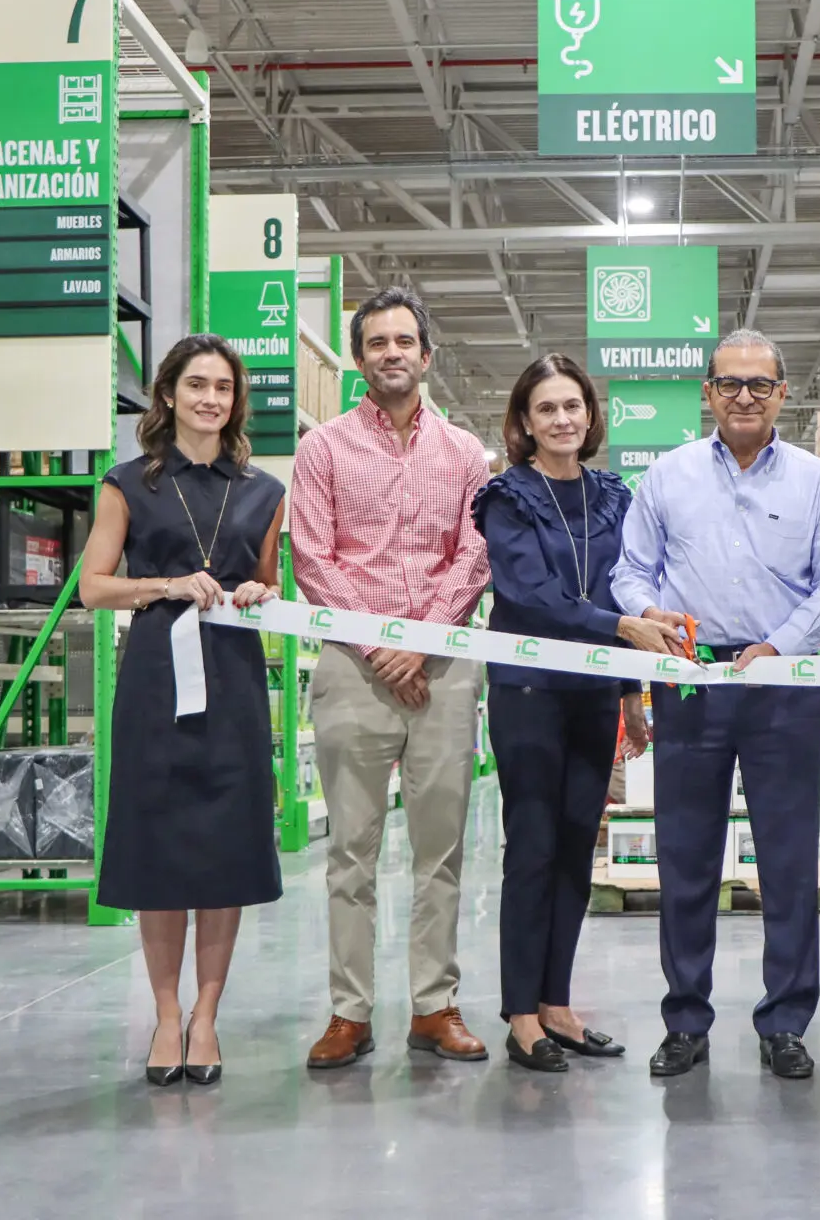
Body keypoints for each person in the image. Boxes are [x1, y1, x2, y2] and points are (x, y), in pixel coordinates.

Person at [612, 328, 820, 1081]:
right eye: (730, 384)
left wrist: (781, 645)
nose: (744, 397)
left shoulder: (819, 482)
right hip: (690, 679)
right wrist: (653, 622)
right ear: (707, 393)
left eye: (760, 384)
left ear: (783, 392)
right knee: (685, 857)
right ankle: (686, 1021)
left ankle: (785, 1022)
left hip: (784, 680)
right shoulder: (667, 478)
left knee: (787, 862)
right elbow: (630, 574)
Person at [290, 287, 492, 1069]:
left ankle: (434, 1006)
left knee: (440, 852)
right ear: (361, 359)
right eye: (377, 343)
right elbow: (313, 557)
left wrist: (423, 642)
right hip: (353, 668)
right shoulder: (326, 450)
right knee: (352, 852)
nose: (393, 353)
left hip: (443, 672)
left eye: (405, 340)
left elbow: (474, 555)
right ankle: (349, 1012)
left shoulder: (466, 453)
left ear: (426, 355)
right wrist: (381, 647)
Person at [81, 333, 287, 1087]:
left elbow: (266, 585)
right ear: (167, 395)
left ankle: (207, 1016)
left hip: (232, 681)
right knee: (159, 849)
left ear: (235, 402)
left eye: (224, 388)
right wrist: (166, 586)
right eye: (196, 385)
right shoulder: (127, 484)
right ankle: (166, 1017)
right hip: (155, 684)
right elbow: (94, 587)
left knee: (225, 852)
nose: (210, 399)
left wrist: (263, 593)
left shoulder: (265, 491)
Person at [471, 355, 677, 1073]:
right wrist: (622, 633)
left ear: (591, 416)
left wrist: (630, 696)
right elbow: (529, 596)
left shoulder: (613, 496)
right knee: (531, 846)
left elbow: (626, 587)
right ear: (525, 423)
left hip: (595, 693)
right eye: (547, 408)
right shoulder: (506, 497)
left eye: (573, 406)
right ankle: (520, 1013)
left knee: (575, 851)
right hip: (529, 692)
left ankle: (557, 1003)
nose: (563, 419)